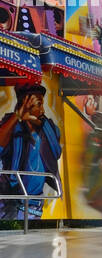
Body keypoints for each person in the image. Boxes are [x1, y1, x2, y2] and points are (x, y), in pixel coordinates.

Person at [0, 82, 62, 221]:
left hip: (34, 204)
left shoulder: (48, 128)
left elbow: (56, 152)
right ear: (25, 105)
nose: (42, 110)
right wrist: (17, 116)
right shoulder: (11, 125)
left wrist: (40, 123)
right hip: (10, 201)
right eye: (38, 104)